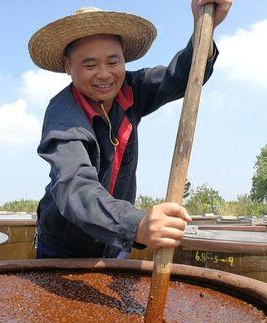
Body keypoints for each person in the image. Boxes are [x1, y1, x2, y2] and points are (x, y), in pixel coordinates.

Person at [29, 0, 232, 259]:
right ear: (68, 67)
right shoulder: (63, 115)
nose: (104, 74)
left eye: (113, 62)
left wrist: (205, 28)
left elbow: (182, 78)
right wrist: (136, 225)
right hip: (65, 248)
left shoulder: (132, 89)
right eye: (90, 66)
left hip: (116, 245)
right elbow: (74, 187)